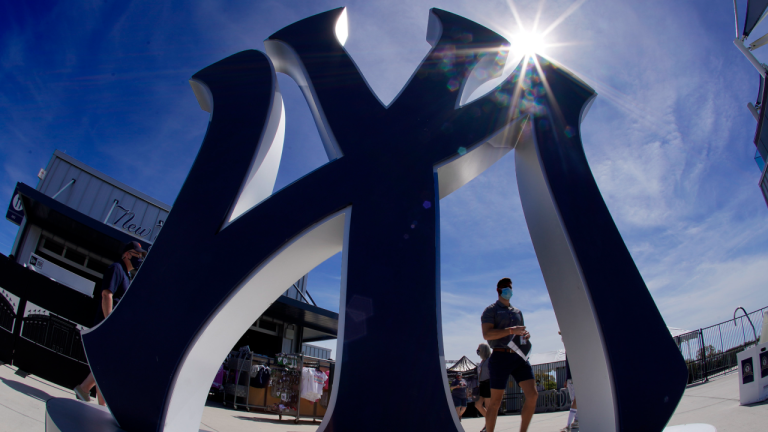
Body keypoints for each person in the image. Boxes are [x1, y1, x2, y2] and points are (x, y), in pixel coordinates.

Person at [73, 241, 146, 405]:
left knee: (104, 365)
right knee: (106, 366)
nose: (140, 257)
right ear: (126, 254)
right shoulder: (116, 269)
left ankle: (88, 392)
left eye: (141, 255)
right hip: (107, 325)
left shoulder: (126, 275)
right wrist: (109, 323)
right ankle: (93, 396)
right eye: (137, 254)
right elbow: (107, 295)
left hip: (112, 327)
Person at [481, 277, 537, 432]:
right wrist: (512, 330)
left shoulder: (517, 312)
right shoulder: (490, 310)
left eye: (510, 287)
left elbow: (520, 332)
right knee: (495, 402)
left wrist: (525, 335)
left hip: (519, 357)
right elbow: (487, 335)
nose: (508, 290)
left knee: (532, 395)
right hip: (500, 357)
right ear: (499, 290)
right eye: (505, 287)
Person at [559, 331, 578, 431]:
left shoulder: (574, 348)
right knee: (574, 401)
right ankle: (574, 422)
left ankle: (570, 424)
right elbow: (568, 366)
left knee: (576, 400)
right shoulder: (568, 350)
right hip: (571, 378)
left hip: (575, 377)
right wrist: (566, 379)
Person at [475, 343, 492, 432]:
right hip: (481, 384)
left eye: (479, 348)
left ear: (484, 350)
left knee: (488, 406)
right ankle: (490, 421)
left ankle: (488, 426)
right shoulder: (482, 362)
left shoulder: (490, 360)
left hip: (488, 383)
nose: (478, 350)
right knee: (477, 405)